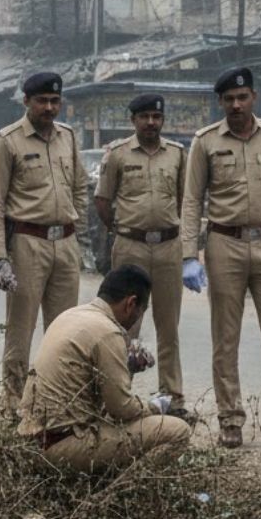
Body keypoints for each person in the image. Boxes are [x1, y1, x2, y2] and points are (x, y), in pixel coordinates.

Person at [179, 67, 261, 451]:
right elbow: (191, 202)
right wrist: (189, 256)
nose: (236, 105)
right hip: (225, 245)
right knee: (226, 338)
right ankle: (230, 420)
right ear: (221, 103)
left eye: (242, 98)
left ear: (253, 97)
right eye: (229, 100)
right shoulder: (205, 142)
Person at [17, 265, 191, 472]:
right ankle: (118, 495)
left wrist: (127, 367)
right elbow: (121, 409)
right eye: (140, 312)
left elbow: (91, 389)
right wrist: (156, 406)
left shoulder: (72, 314)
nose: (136, 321)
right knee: (178, 431)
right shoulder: (108, 332)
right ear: (131, 303)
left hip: (32, 443)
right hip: (61, 447)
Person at [0, 72, 87, 415]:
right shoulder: (7, 141)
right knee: (21, 329)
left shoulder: (68, 138)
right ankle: (15, 405)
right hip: (27, 243)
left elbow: (80, 188)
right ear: (25, 101)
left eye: (55, 101)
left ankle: (57, 403)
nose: (49, 107)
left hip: (66, 243)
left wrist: (78, 233)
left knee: (64, 331)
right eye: (42, 101)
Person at [94, 94, 192, 421]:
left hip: (167, 246)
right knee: (124, 325)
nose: (151, 123)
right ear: (133, 120)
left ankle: (173, 397)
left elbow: (185, 201)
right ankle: (119, 397)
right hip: (130, 245)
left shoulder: (178, 155)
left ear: (162, 120)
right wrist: (122, 231)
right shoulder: (118, 155)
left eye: (156, 117)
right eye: (145, 117)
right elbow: (103, 201)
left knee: (169, 325)